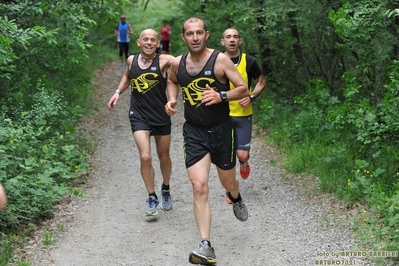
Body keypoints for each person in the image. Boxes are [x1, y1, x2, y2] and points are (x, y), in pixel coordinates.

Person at [164, 17, 249, 265]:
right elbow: (171, 81)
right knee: (199, 186)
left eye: (199, 32)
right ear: (183, 38)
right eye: (189, 33)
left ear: (207, 34)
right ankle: (206, 245)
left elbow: (242, 88)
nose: (195, 37)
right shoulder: (177, 63)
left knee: (228, 181)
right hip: (195, 132)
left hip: (222, 130)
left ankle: (236, 197)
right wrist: (172, 99)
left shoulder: (220, 60)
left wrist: (222, 95)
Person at [107, 29, 175, 217]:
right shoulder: (131, 60)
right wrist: (117, 92)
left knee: (164, 156)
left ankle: (166, 189)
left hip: (160, 115)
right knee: (145, 157)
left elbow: (186, 64)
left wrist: (172, 98)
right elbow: (128, 76)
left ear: (158, 44)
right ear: (138, 42)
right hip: (138, 115)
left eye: (153, 40)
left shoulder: (164, 61)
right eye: (145, 39)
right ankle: (152, 197)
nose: (149, 42)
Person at [220, 28, 267, 203]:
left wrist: (251, 96)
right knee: (226, 155)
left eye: (235, 37)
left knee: (242, 155)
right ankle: (231, 190)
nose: (232, 40)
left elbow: (261, 82)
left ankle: (244, 163)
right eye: (228, 37)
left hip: (243, 114)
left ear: (240, 41)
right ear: (222, 42)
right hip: (222, 115)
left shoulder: (249, 61)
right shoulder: (217, 61)